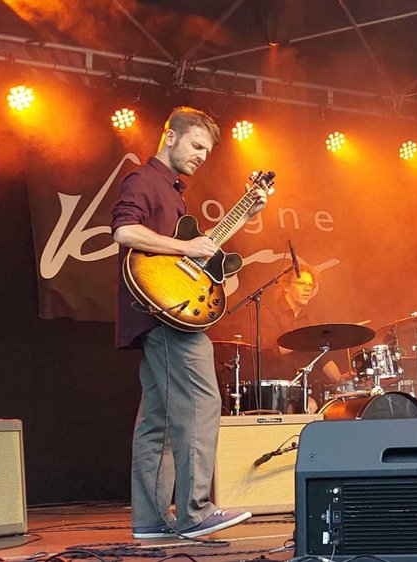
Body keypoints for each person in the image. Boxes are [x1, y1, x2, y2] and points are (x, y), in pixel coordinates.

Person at [112, 106, 269, 539]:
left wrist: (245, 214)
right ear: (170, 136)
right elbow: (124, 232)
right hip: (167, 316)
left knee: (158, 422)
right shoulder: (143, 179)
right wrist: (185, 249)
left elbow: (196, 248)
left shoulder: (173, 192)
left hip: (159, 312)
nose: (201, 155)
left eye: (207, 151)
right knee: (202, 402)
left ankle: (150, 520)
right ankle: (195, 512)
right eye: (196, 145)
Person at [258, 265, 351, 411]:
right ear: (286, 287)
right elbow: (272, 349)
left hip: (300, 388)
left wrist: (339, 379)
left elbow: (322, 357)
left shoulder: (309, 322)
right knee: (309, 406)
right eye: (302, 284)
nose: (307, 289)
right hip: (273, 387)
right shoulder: (268, 312)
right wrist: (306, 339)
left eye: (310, 285)